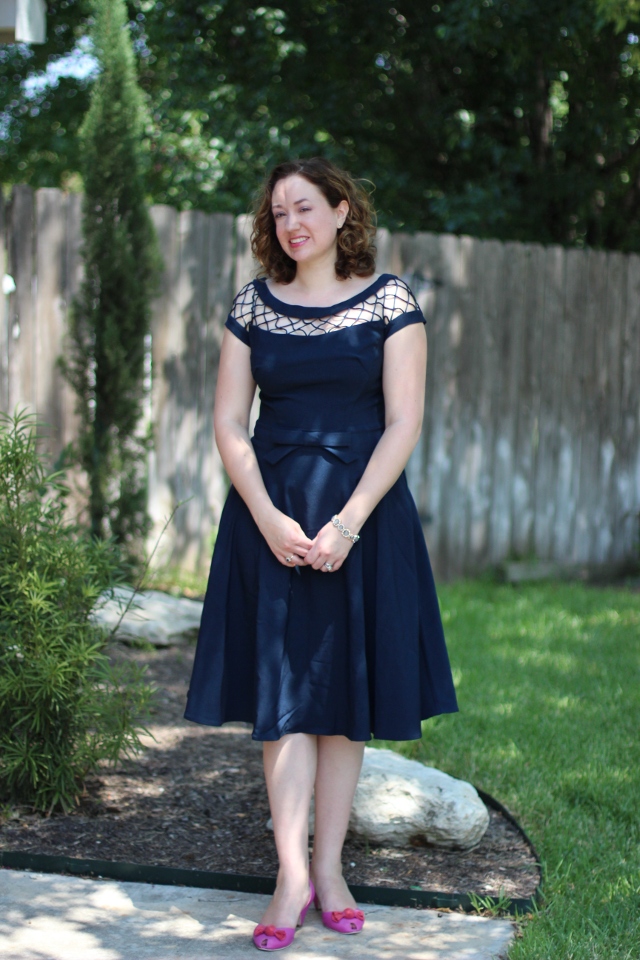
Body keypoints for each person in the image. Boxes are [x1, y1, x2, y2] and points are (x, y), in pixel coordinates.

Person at [184, 157, 458, 952]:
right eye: (278, 213)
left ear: (343, 212)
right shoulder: (254, 306)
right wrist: (267, 517)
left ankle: (331, 869)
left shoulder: (391, 300)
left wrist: (349, 523)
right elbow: (230, 424)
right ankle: (289, 876)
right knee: (284, 702)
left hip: (362, 521)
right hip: (269, 520)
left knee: (345, 701)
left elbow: (403, 422)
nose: (290, 223)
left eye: (305, 207)